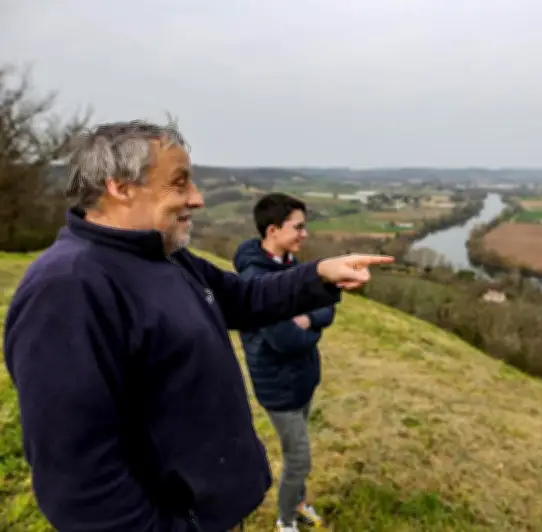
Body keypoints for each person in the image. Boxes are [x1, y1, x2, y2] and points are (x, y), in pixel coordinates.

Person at [2, 119, 393, 532]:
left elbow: (243, 298)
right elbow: (78, 477)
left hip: (211, 511)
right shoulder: (67, 290)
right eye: (179, 183)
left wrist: (319, 275)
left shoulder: (162, 255)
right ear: (121, 187)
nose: (197, 198)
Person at [233, 193, 333, 532]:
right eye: (298, 227)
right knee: (299, 459)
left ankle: (298, 503)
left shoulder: (290, 264)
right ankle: (286, 521)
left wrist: (308, 319)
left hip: (302, 378)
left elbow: (327, 306)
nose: (305, 234)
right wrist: (312, 326)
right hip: (279, 387)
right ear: (273, 230)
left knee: (298, 455)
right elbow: (284, 339)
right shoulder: (255, 279)